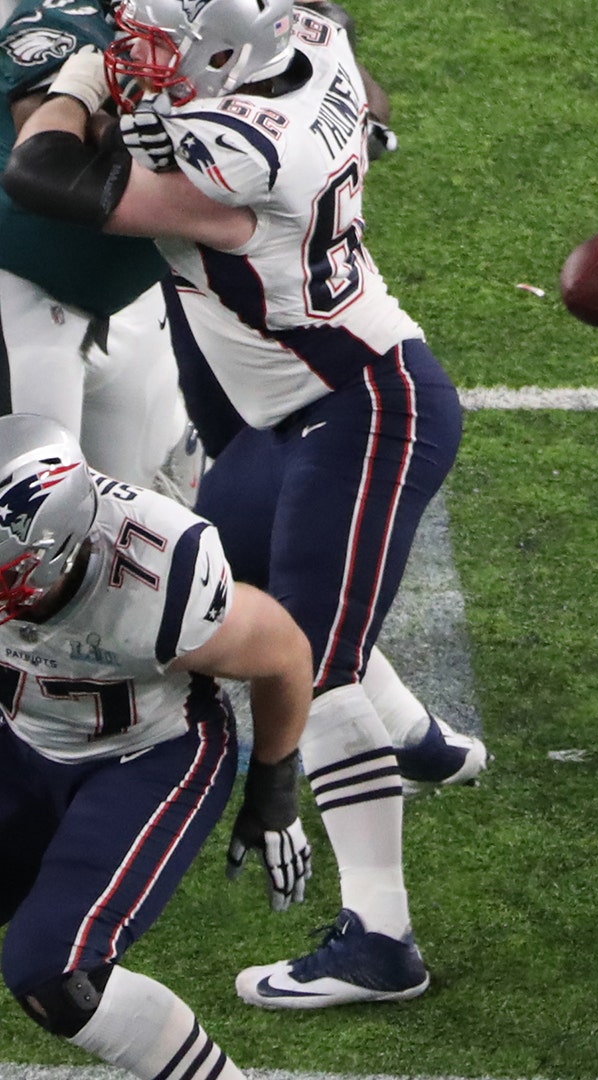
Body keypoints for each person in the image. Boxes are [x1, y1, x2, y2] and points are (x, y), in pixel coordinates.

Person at [3, 0, 464, 1007]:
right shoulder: (306, 43)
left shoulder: (238, 161)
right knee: (244, 583)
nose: (135, 56)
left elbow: (42, 177)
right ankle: (425, 745)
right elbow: (355, 83)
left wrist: (79, 83)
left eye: (159, 47)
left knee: (318, 663)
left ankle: (381, 939)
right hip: (281, 409)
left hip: (361, 405)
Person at [0, 413, 312, 1079]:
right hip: (21, 731)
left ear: (49, 554)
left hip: (148, 754)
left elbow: (284, 651)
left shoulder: (160, 573)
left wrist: (275, 785)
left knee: (55, 972)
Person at [0, 0, 201, 500]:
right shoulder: (70, 17)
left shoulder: (243, 32)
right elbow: (43, 142)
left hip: (131, 298)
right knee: (33, 524)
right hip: (22, 302)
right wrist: (89, 96)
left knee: (153, 508)